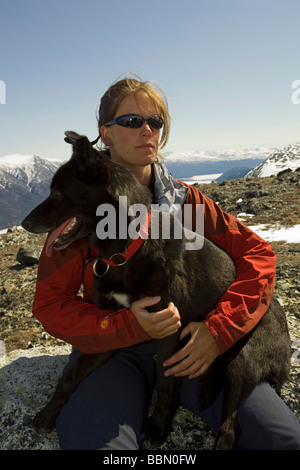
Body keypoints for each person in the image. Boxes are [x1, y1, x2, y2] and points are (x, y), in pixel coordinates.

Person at [32, 75, 300, 450]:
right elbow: (50, 304)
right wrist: (122, 325)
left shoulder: (187, 204)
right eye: (131, 121)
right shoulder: (79, 208)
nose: (147, 130)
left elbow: (259, 256)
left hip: (188, 348)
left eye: (155, 122)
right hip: (113, 351)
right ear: (104, 134)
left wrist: (219, 330)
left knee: (280, 440)